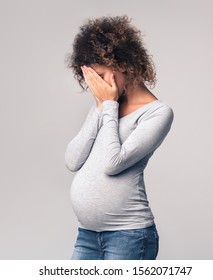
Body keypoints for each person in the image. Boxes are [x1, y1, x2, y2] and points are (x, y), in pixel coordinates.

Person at [65, 15, 174, 260]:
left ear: (122, 64)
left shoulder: (157, 113)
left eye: (101, 77)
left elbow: (113, 163)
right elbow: (72, 160)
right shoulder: (106, 107)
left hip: (129, 237)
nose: (98, 87)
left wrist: (108, 105)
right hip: (87, 235)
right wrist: (100, 107)